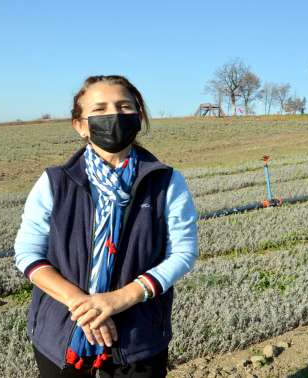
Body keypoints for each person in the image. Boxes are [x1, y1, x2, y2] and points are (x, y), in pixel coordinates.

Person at [13, 74, 198, 377]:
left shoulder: (166, 182)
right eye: (99, 110)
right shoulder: (55, 183)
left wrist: (117, 300)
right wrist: (82, 305)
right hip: (64, 328)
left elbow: (182, 253)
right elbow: (28, 253)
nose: (113, 115)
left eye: (124, 106)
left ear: (138, 116)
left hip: (139, 333)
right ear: (80, 125)